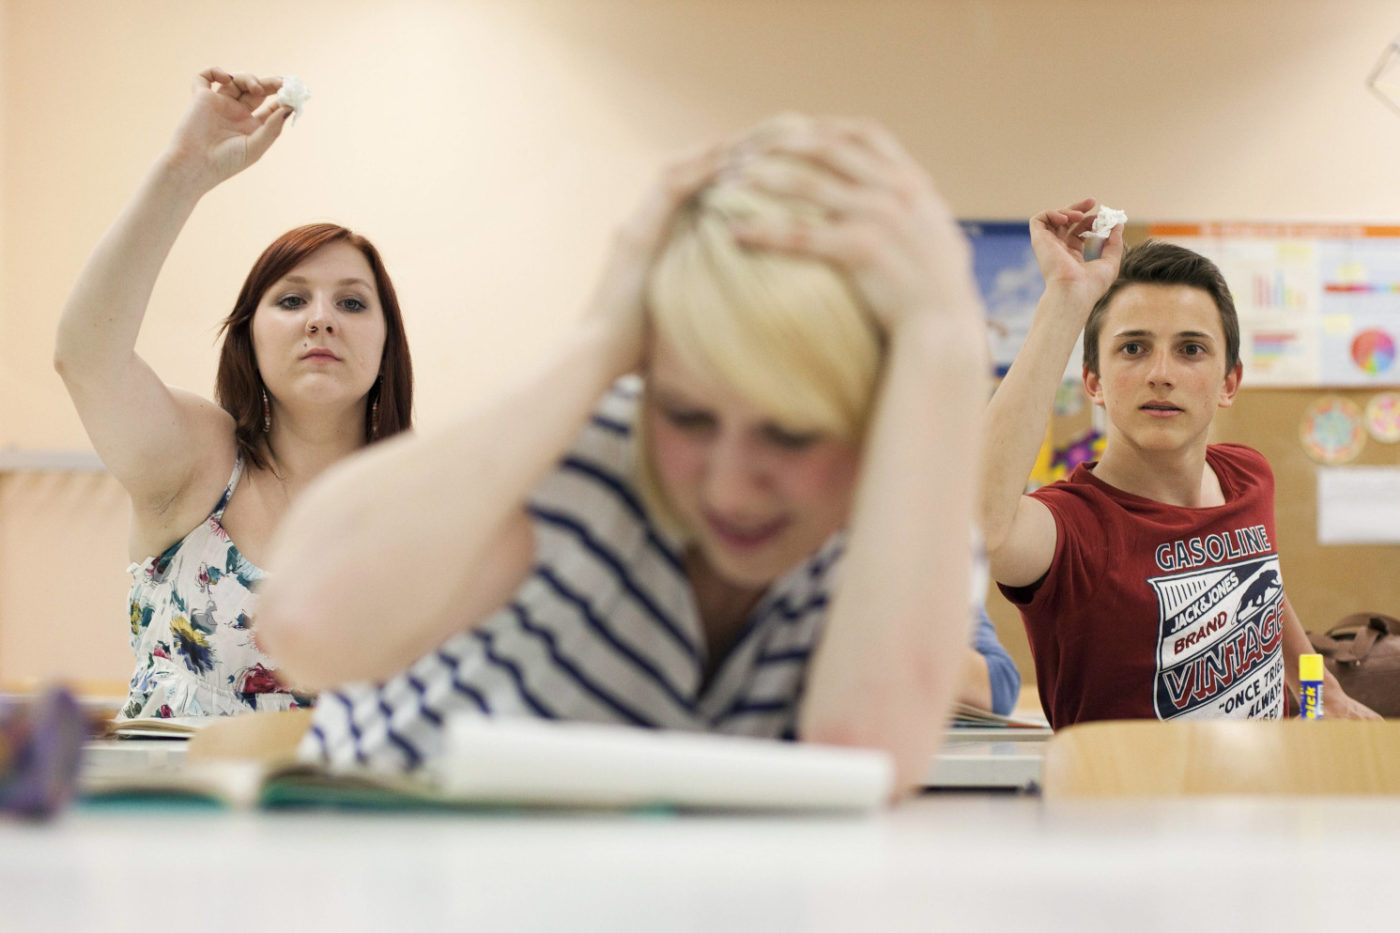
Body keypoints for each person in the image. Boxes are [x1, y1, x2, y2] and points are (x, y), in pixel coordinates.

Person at [256, 116, 991, 795]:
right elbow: (306, 623)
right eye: (686, 415)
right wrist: (600, 334)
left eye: (791, 434)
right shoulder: (589, 457)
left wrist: (943, 345)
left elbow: (860, 756)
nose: (731, 489)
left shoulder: (907, 512)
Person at [53, 69, 414, 720]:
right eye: (293, 298)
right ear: (248, 338)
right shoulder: (200, 461)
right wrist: (183, 172)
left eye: (352, 302)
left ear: (389, 345)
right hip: (176, 818)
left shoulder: (426, 505)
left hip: (361, 819)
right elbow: (86, 358)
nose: (321, 318)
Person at [979, 199, 1376, 728]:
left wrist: (1319, 690)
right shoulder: (1070, 530)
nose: (1161, 373)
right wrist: (1066, 301)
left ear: (1228, 383)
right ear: (1093, 383)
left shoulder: (1249, 476)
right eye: (1133, 348)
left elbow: (1264, 592)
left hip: (1275, 796)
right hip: (1134, 807)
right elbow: (983, 524)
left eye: (1191, 349)